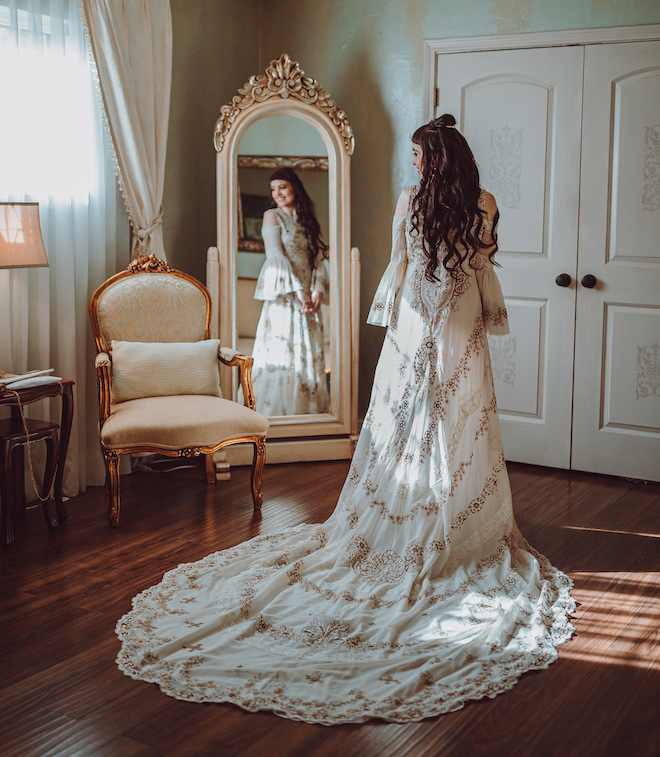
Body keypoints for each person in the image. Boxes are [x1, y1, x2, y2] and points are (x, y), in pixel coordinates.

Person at [116, 115, 575, 725]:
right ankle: (434, 509)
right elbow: (483, 260)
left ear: (438, 156)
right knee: (437, 419)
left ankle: (444, 510)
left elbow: (401, 263)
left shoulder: (416, 200)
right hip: (452, 318)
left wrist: (399, 316)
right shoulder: (478, 201)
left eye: (419, 156)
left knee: (429, 418)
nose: (414, 166)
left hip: (423, 317)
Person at [248, 167, 330, 416]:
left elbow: (317, 259)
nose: (277, 194)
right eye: (273, 189)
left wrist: (316, 291)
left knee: (308, 352)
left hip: (308, 300)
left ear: (295, 187)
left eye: (282, 187)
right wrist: (297, 290)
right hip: (286, 296)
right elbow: (275, 256)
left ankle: (308, 413)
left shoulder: (308, 219)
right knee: (285, 351)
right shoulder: (271, 215)